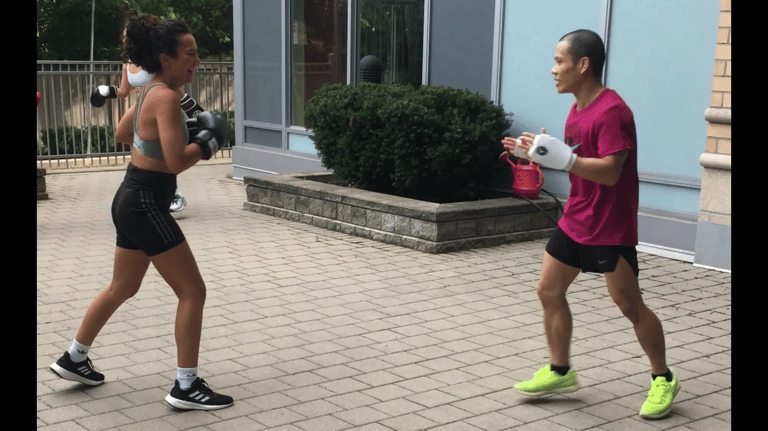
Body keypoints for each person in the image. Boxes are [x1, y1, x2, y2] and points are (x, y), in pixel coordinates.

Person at [50, 14, 232, 411]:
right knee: (192, 291)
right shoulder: (165, 97)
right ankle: (186, 386)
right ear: (165, 58)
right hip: (146, 202)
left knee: (123, 286)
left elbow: (120, 134)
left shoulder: (150, 91)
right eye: (190, 53)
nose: (196, 61)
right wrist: (208, 141)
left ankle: (74, 358)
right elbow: (174, 162)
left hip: (130, 198)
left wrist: (167, 128)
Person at [502, 29, 679, 419]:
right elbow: (576, 157)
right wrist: (535, 151)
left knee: (629, 305)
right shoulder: (578, 107)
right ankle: (560, 370)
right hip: (577, 217)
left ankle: (663, 378)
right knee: (548, 290)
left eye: (559, 61)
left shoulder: (613, 111)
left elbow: (612, 171)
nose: (553, 70)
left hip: (608, 226)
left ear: (583, 65)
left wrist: (563, 160)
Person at [89, 28, 205, 213]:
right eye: (125, 36)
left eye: (130, 35)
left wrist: (195, 112)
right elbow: (123, 91)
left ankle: (170, 189)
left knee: (165, 152)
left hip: (155, 102)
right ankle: (163, 183)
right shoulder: (129, 64)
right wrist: (104, 91)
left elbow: (172, 88)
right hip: (144, 105)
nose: (127, 39)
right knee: (126, 135)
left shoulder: (153, 64)